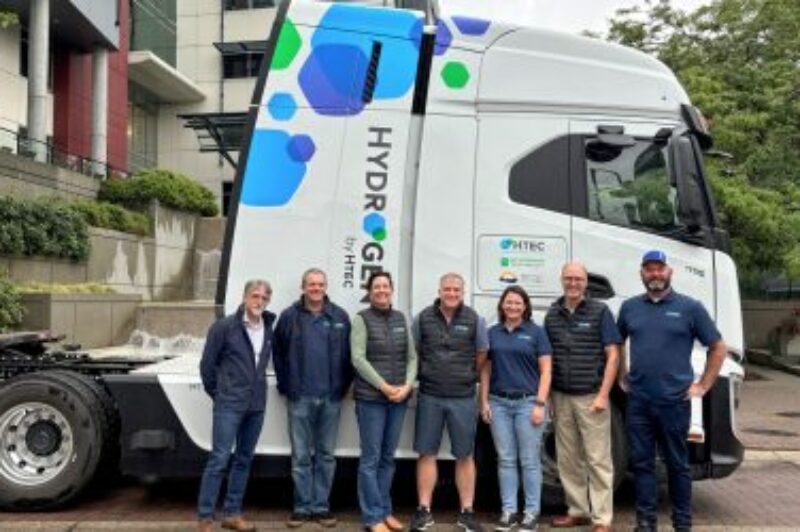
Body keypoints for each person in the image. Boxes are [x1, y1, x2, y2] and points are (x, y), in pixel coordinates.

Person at [617, 250, 726, 532]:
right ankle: (646, 523)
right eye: (649, 269)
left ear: (669, 272)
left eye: (660, 268)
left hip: (674, 403)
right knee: (642, 465)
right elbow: (617, 343)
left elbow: (717, 347)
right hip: (639, 402)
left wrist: (703, 385)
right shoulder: (629, 308)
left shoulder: (690, 308)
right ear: (642, 273)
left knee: (677, 465)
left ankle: (682, 523)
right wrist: (621, 375)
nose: (655, 273)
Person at [409, 273, 489, 532]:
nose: (452, 293)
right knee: (426, 452)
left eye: (456, 289)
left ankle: (467, 512)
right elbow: (414, 351)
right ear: (439, 291)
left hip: (463, 396)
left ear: (462, 292)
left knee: (465, 454)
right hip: (430, 394)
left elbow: (482, 353)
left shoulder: (474, 319)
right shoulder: (423, 318)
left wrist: (468, 375)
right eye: (447, 289)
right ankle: (424, 510)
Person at [273, 268, 352, 529]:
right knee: (301, 456)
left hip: (331, 398)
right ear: (303, 287)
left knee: (326, 456)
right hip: (300, 398)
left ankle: (321, 507)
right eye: (311, 284)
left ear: (326, 286)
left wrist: (343, 387)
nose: (316, 288)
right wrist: (286, 385)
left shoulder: (340, 316)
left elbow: (350, 355)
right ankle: (301, 507)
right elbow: (278, 352)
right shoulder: (289, 316)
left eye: (320, 284)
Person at [544, 263, 621, 532]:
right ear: (561, 280)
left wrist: (603, 395)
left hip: (591, 397)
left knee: (598, 459)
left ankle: (602, 519)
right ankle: (577, 511)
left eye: (578, 279)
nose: (573, 283)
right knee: (568, 459)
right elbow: (548, 358)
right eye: (569, 278)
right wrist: (550, 396)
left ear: (586, 282)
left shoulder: (600, 311)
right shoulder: (552, 315)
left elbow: (613, 355)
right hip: (561, 396)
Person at [197, 279, 275, 532]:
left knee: (244, 459)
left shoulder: (268, 327)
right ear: (244, 297)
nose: (259, 301)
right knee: (219, 459)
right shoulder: (224, 327)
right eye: (255, 296)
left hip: (256, 404)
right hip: (229, 404)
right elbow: (207, 366)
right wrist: (220, 394)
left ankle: (232, 513)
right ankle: (206, 517)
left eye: (264, 298)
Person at [480, 285, 552, 532]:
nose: (512, 306)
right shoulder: (492, 333)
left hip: (528, 403)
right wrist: (484, 401)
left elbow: (546, 370)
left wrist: (540, 404)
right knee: (506, 460)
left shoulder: (536, 333)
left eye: (517, 303)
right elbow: (486, 370)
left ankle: (531, 514)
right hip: (498, 403)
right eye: (509, 302)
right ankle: (508, 511)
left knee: (529, 460)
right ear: (502, 305)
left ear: (525, 306)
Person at [351, 271, 418, 532]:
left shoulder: (400, 318)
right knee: (371, 459)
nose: (381, 290)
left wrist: (407, 385)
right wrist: (385, 387)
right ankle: (372, 518)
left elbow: (412, 357)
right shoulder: (361, 319)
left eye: (385, 286)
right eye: (376, 287)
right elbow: (358, 358)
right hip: (371, 399)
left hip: (398, 398)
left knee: (388, 458)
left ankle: (384, 511)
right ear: (370, 292)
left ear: (391, 289)